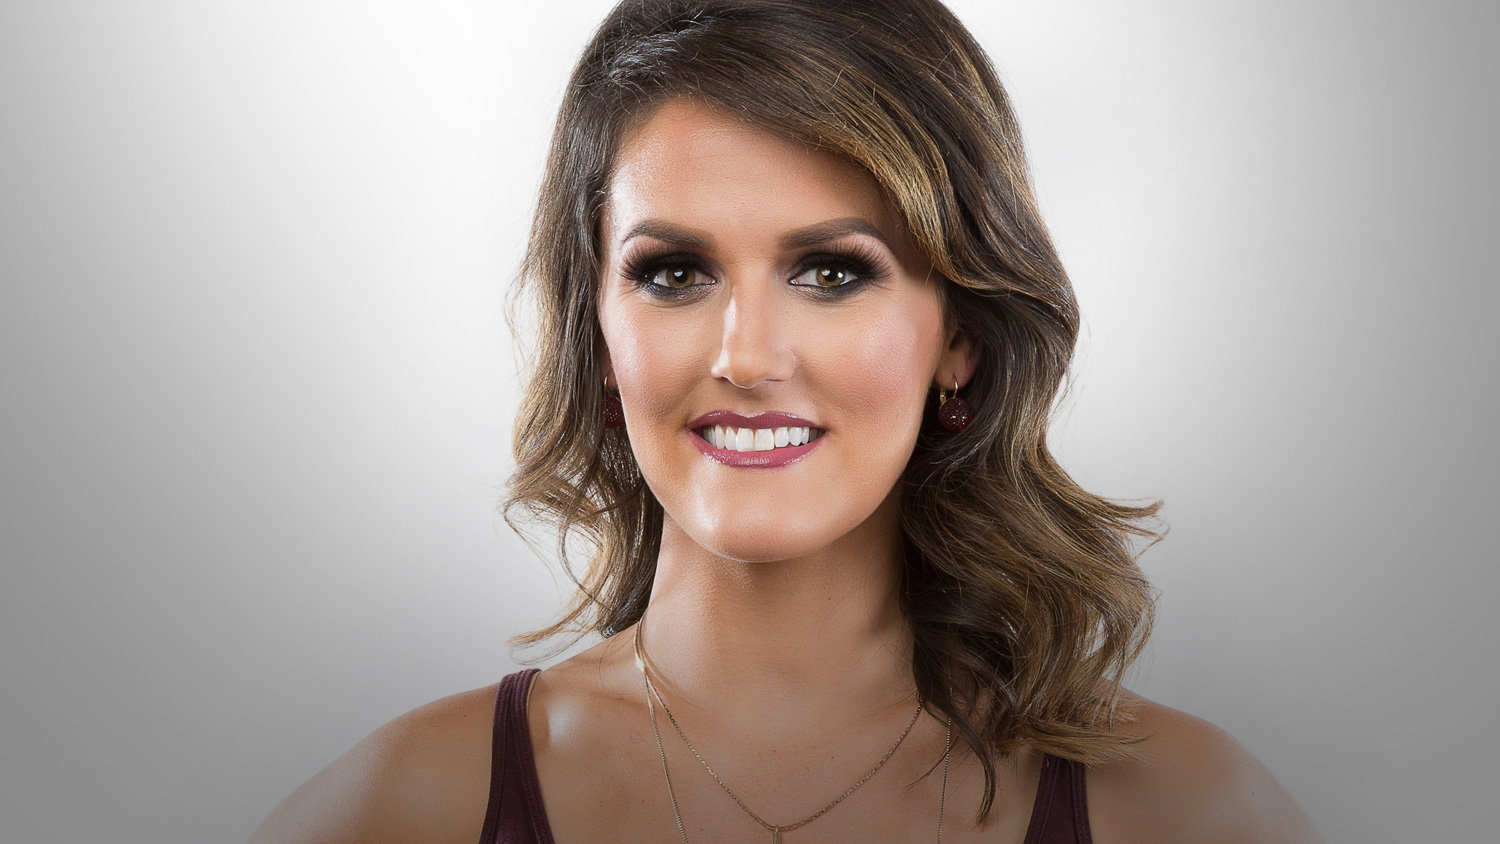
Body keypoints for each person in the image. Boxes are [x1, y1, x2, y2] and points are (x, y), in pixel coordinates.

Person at [251, 1, 1323, 841]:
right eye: (675, 272)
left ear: (960, 333)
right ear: (598, 329)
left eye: (832, 271)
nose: (747, 356)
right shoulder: (404, 809)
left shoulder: (1192, 814)